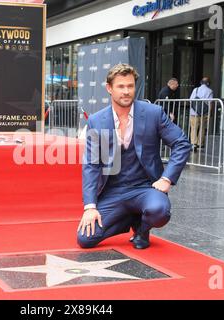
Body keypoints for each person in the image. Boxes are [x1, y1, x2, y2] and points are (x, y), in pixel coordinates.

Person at [78, 64, 191, 250]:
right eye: (121, 86)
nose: (126, 91)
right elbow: (91, 165)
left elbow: (181, 143)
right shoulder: (97, 121)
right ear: (109, 88)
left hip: (145, 188)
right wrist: (90, 207)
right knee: (85, 239)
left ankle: (142, 228)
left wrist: (167, 179)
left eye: (130, 86)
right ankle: (131, 217)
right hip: (113, 191)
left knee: (160, 211)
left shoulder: (153, 113)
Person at [189, 77, 213, 152]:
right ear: (208, 83)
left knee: (193, 128)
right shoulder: (210, 91)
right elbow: (210, 103)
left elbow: (190, 100)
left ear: (201, 82)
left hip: (193, 112)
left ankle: (193, 144)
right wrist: (209, 113)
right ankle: (200, 143)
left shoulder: (195, 90)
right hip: (203, 112)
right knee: (202, 128)